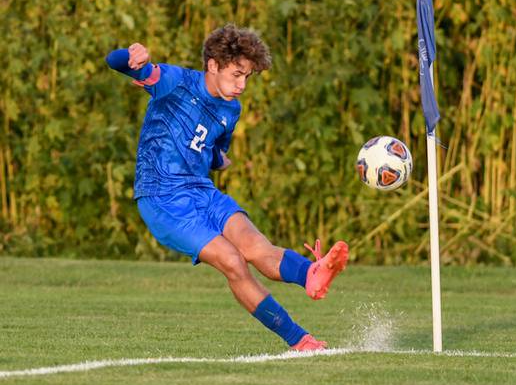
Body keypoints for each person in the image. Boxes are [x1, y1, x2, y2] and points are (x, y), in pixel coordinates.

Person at [106, 24, 349, 352]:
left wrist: (218, 160)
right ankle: (300, 340)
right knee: (233, 261)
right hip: (161, 197)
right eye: (236, 74)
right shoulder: (174, 83)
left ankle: (312, 274)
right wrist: (131, 55)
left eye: (247, 77)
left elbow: (214, 148)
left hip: (201, 190)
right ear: (212, 65)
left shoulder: (231, 109)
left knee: (256, 245)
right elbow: (116, 62)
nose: (242, 85)